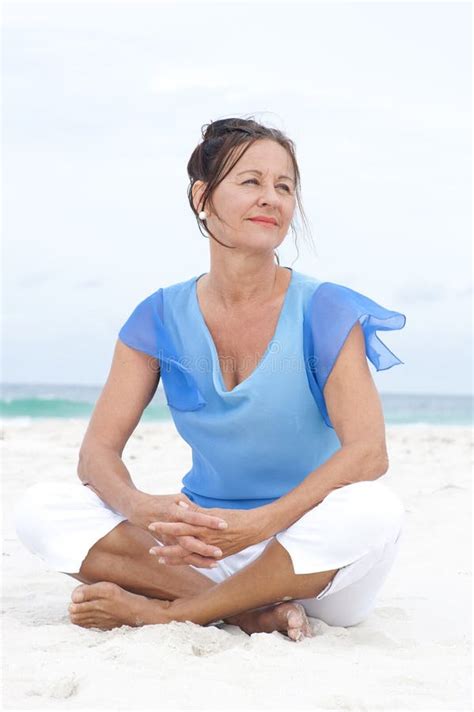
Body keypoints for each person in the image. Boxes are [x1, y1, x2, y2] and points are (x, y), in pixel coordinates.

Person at [14, 116, 407, 642]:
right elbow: (96, 456)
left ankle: (173, 612)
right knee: (39, 507)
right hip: (199, 553)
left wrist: (262, 524)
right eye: (251, 182)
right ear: (203, 197)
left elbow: (368, 454)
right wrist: (144, 509)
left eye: (284, 186)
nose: (271, 198)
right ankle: (242, 611)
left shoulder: (324, 309)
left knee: (375, 507)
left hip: (307, 557)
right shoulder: (157, 317)